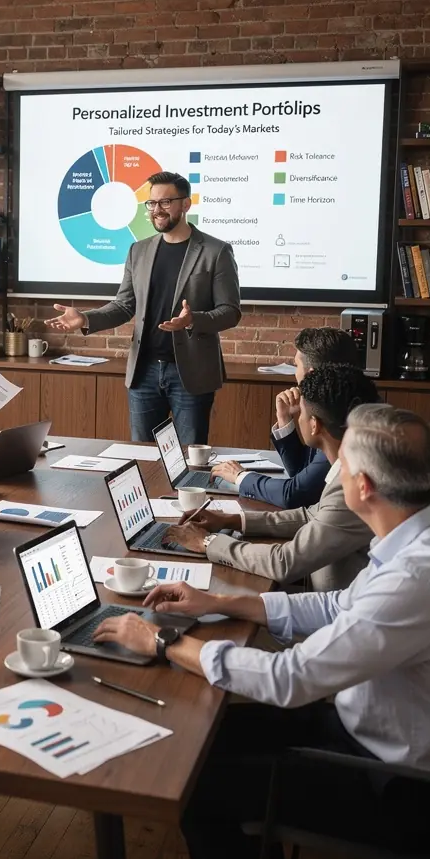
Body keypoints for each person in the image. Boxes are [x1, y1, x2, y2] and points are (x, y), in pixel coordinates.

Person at [93, 404, 430, 859]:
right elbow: (340, 606)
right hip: (389, 735)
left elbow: (286, 679)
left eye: (343, 465)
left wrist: (162, 641)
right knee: (205, 741)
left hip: (404, 790)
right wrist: (221, 602)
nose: (334, 472)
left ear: (364, 487)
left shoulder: (415, 579)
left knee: (199, 787)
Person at [45, 171, 241, 445]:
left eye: (165, 202)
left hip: (191, 373)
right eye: (152, 204)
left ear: (186, 204)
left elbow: (230, 311)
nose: (157, 210)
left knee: (190, 459)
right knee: (143, 455)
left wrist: (193, 320)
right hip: (144, 372)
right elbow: (124, 306)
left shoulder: (215, 251)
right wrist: (85, 318)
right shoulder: (139, 251)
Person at [164, 362, 380, 591]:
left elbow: (284, 562)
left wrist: (207, 542)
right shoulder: (358, 463)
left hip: (334, 614)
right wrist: (231, 520)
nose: (300, 419)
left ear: (315, 425)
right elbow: (311, 517)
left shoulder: (354, 485)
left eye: (303, 413)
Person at [211, 326, 360, 508]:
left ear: (310, 373)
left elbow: (294, 494)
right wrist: (284, 419)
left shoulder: (339, 417)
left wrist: (240, 476)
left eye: (296, 365)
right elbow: (302, 473)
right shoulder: (341, 400)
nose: (295, 373)